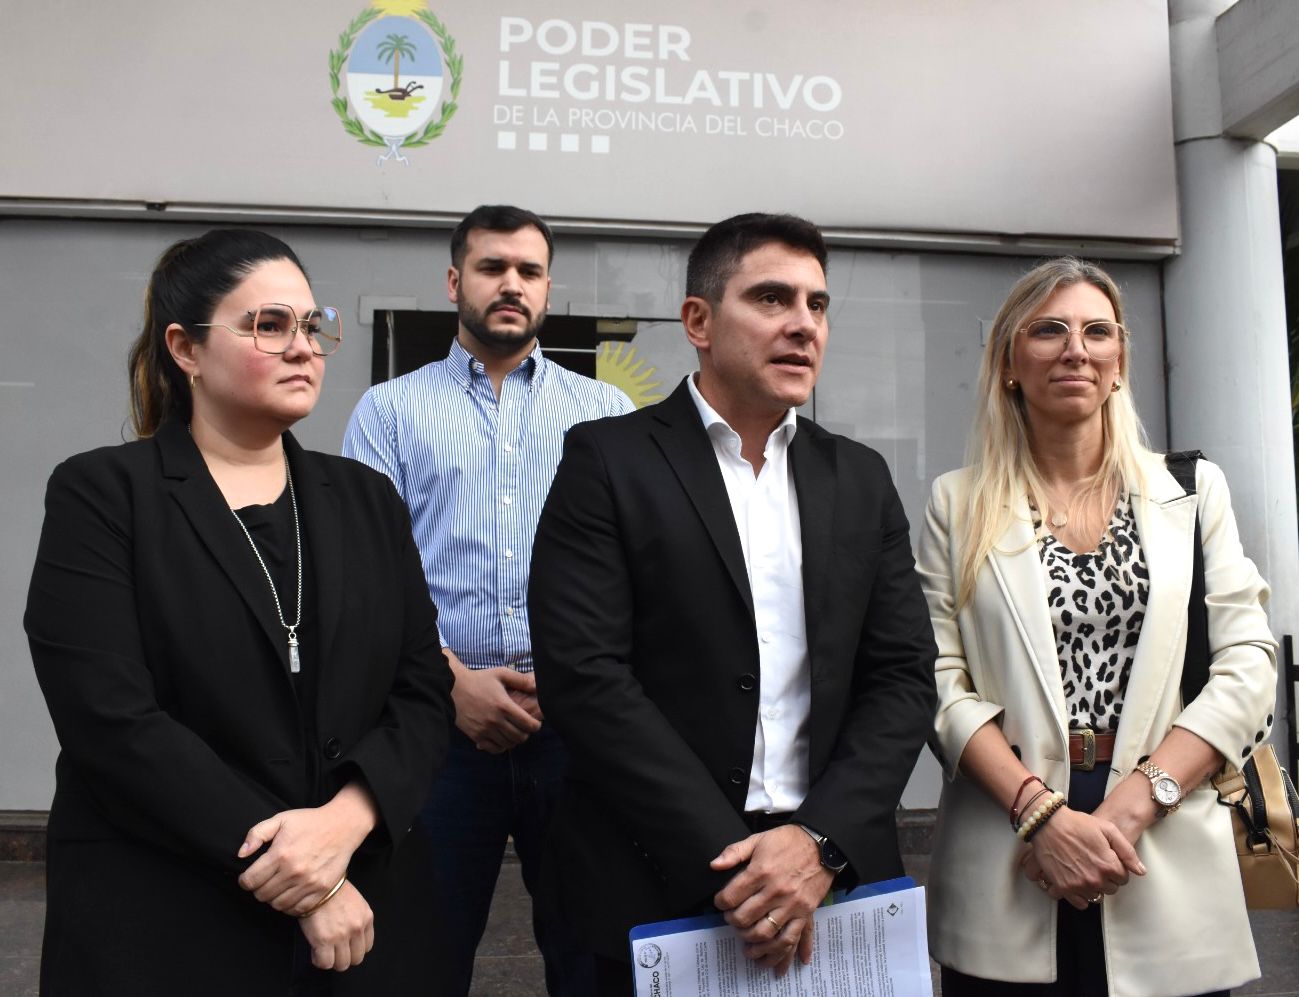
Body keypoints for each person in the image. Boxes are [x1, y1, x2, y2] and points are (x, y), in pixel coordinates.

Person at [25, 228, 454, 996]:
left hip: (362, 915)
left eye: (311, 325)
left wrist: (346, 819)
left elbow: (421, 690)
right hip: (168, 914)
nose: (303, 347)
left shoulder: (366, 500)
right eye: (269, 325)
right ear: (185, 349)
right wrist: (303, 877)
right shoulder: (103, 495)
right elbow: (111, 719)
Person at [528, 212, 938, 994]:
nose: (802, 324)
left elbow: (903, 675)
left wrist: (816, 843)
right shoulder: (607, 461)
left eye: (817, 305)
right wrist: (736, 862)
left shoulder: (858, 477)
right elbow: (585, 677)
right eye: (771, 298)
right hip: (653, 875)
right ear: (698, 321)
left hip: (832, 878)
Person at [918, 257, 1278, 996]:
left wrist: (1130, 807)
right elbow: (935, 680)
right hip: (1008, 835)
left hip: (1162, 822)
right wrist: (1041, 815)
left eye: (1097, 331)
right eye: (1048, 330)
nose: (1075, 349)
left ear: (1118, 363)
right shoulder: (956, 503)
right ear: (1009, 363)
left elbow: (1246, 664)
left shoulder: (1190, 490)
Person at [342, 204, 633, 995]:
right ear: (453, 281)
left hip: (575, 729)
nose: (511, 284)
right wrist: (450, 682)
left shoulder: (604, 413)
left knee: (592, 959)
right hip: (434, 728)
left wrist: (572, 680)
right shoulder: (389, 411)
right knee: (418, 962)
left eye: (529, 271)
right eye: (491, 267)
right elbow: (366, 578)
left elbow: (632, 576)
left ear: (548, 289)